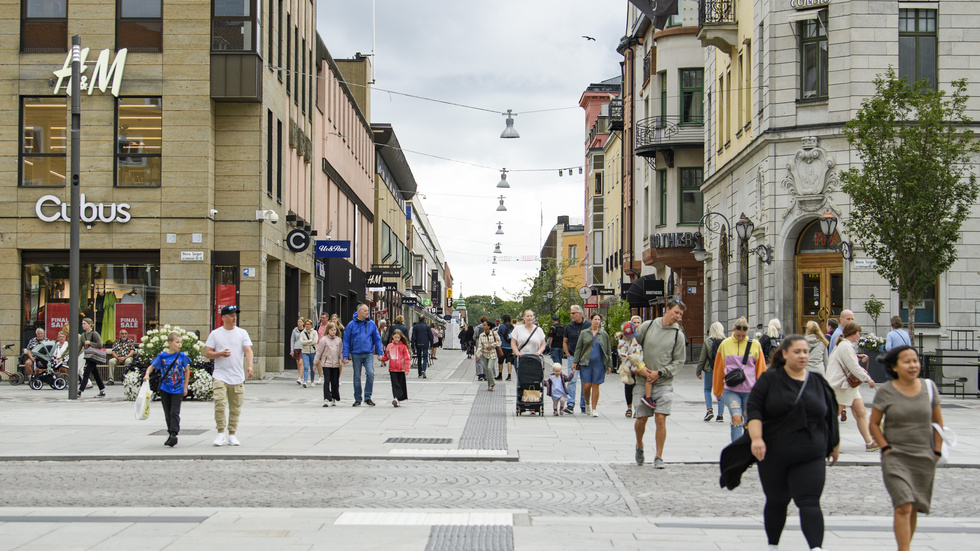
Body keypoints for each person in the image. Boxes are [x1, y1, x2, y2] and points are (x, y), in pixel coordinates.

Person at [745, 336, 840, 551]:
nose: (803, 355)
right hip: (775, 453)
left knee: (809, 500)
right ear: (785, 354)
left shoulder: (817, 381)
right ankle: (773, 545)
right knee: (777, 500)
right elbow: (754, 410)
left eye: (805, 351)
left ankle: (816, 547)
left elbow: (830, 414)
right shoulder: (770, 380)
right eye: (797, 351)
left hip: (811, 453)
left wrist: (834, 443)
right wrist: (757, 439)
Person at [869, 345, 945, 551]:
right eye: (907, 361)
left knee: (912, 508)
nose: (913, 365)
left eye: (915, 361)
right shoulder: (886, 391)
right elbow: (873, 424)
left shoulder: (929, 388)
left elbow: (938, 423)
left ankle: (905, 546)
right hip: (895, 457)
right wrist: (885, 447)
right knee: (903, 505)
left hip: (923, 458)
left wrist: (936, 452)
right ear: (895, 366)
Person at [633, 299, 686, 468]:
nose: (678, 317)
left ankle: (658, 456)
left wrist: (660, 373)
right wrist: (639, 368)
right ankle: (639, 444)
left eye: (681, 314)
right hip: (642, 380)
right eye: (676, 312)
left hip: (663, 382)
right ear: (667, 309)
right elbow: (631, 346)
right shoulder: (647, 327)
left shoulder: (678, 334)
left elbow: (679, 361)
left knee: (661, 418)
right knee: (641, 419)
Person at [205, 305, 254, 446]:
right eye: (231, 315)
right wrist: (220, 354)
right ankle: (221, 433)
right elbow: (208, 353)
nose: (234, 318)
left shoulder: (242, 333)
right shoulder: (215, 334)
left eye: (235, 315)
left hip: (237, 376)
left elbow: (248, 351)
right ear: (223, 317)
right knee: (220, 404)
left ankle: (232, 433)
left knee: (235, 407)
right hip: (220, 375)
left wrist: (250, 366)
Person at [713, 317, 767, 442]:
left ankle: (747, 452)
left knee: (749, 422)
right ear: (733, 330)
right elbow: (719, 369)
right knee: (736, 418)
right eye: (738, 335)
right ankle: (736, 452)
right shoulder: (725, 344)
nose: (741, 338)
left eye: (743, 335)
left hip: (751, 391)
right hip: (731, 390)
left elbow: (761, 369)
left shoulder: (755, 345)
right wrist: (717, 390)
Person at [826, 321, 878, 451]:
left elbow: (849, 360)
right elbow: (853, 367)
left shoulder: (845, 345)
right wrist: (868, 379)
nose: (858, 335)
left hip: (848, 386)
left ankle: (869, 442)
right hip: (842, 386)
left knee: (861, 412)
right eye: (857, 333)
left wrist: (858, 357)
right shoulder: (845, 346)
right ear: (852, 334)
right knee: (832, 416)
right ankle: (821, 440)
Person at [143, 331, 191, 447]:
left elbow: (187, 370)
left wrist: (185, 386)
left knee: (175, 411)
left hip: (178, 388)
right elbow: (151, 366)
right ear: (170, 343)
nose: (179, 345)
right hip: (165, 388)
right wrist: (147, 374)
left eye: (180, 342)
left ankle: (174, 433)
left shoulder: (182, 356)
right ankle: (170, 433)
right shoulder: (162, 356)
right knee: (167, 412)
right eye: (177, 342)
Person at [341, 304, 385, 407]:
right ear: (359, 312)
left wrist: (379, 353)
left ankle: (367, 397)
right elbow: (346, 341)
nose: (367, 312)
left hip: (368, 353)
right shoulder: (351, 325)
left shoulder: (371, 324)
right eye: (365, 311)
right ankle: (357, 398)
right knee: (357, 376)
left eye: (367, 310)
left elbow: (377, 339)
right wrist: (345, 356)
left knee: (370, 373)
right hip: (356, 353)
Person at [572, 313, 612, 418]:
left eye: (599, 319)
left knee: (595, 386)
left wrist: (608, 364)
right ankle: (587, 403)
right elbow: (578, 348)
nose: (597, 321)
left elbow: (608, 350)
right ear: (591, 320)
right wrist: (574, 362)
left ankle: (594, 408)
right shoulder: (584, 333)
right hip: (586, 362)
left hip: (598, 363)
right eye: (595, 319)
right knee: (586, 386)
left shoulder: (603, 334)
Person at [562, 305, 590, 414]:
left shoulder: (588, 325)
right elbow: (565, 341)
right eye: (571, 313)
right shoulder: (569, 326)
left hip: (585, 357)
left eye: (573, 313)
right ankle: (570, 404)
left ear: (580, 314)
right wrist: (568, 354)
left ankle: (583, 404)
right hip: (573, 356)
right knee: (572, 380)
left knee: (585, 381)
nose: (572, 315)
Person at [697, 321, 726, 422]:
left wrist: (698, 371)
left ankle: (709, 410)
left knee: (707, 390)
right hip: (721, 370)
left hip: (709, 369)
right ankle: (720, 415)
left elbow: (702, 358)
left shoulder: (707, 341)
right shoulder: (726, 342)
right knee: (721, 391)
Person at [617, 319, 644, 418]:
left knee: (638, 388)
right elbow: (624, 357)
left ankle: (637, 409)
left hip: (638, 366)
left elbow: (640, 352)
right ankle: (629, 408)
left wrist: (638, 363)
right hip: (628, 368)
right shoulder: (621, 343)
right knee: (628, 388)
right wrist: (632, 366)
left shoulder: (637, 340)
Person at [314, 322, 342, 406]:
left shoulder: (338, 340)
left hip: (335, 364)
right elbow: (319, 352)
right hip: (326, 363)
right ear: (328, 330)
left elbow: (340, 352)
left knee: (335, 381)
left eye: (334, 330)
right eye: (331, 330)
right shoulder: (324, 340)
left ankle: (334, 397)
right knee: (327, 380)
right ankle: (326, 398)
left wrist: (342, 359)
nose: (333, 331)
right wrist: (315, 363)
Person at [77, 318, 106, 398]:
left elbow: (100, 344)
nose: (83, 325)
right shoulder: (83, 335)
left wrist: (90, 343)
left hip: (94, 356)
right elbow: (80, 347)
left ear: (90, 324)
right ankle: (102, 390)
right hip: (88, 356)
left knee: (86, 373)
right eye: (82, 324)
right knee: (95, 373)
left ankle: (80, 391)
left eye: (85, 323)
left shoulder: (95, 334)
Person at [383, 329, 411, 407]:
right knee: (395, 384)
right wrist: (382, 359)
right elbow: (387, 356)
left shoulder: (403, 347)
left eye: (398, 337)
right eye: (395, 337)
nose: (396, 339)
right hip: (392, 368)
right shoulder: (389, 346)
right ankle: (396, 398)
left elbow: (407, 358)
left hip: (401, 368)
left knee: (401, 384)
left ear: (400, 338)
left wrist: (406, 368)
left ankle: (398, 398)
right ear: (392, 337)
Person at [475, 320, 501, 391]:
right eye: (483, 325)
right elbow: (479, 346)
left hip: (492, 354)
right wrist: (478, 355)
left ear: (488, 327)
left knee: (489, 368)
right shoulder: (481, 335)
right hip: (484, 355)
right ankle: (489, 385)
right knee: (487, 370)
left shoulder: (494, 334)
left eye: (485, 325)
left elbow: (499, 342)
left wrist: (492, 345)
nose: (483, 326)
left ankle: (492, 384)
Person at [300, 318, 318, 387]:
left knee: (312, 367)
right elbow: (302, 342)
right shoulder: (302, 333)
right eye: (306, 324)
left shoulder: (314, 332)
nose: (307, 326)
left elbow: (315, 341)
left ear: (311, 325)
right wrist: (310, 341)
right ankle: (305, 381)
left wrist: (306, 342)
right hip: (305, 352)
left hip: (313, 351)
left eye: (308, 324)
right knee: (306, 366)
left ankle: (312, 380)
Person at [496, 314, 514, 380]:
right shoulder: (512, 327)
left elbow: (498, 335)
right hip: (510, 346)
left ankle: (500, 375)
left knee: (501, 361)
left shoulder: (502, 326)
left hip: (502, 346)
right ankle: (509, 375)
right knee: (509, 361)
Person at [290, 317, 305, 386]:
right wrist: (292, 350)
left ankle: (300, 377)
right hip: (296, 347)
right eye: (298, 322)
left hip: (303, 348)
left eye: (300, 322)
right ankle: (300, 376)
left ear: (303, 323)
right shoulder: (295, 330)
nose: (299, 323)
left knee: (301, 362)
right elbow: (292, 340)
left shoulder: (305, 330)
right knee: (298, 363)